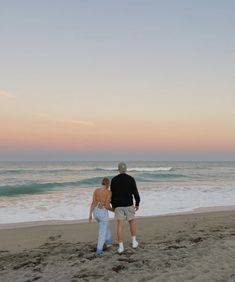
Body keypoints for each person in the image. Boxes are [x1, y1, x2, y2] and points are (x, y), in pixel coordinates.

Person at [110, 162, 140, 254]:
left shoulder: (114, 180)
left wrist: (113, 206)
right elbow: (135, 192)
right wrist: (137, 203)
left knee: (119, 225)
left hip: (118, 206)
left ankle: (121, 247)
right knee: (132, 222)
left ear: (118, 169)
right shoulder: (131, 179)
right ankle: (134, 242)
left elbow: (112, 195)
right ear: (126, 169)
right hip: (129, 204)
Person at [89, 177, 114, 255]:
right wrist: (113, 210)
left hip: (95, 212)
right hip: (102, 212)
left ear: (102, 183)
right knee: (102, 232)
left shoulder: (96, 190)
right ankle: (99, 251)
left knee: (106, 225)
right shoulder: (108, 192)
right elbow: (106, 206)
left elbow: (93, 203)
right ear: (108, 184)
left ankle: (108, 243)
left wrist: (90, 215)